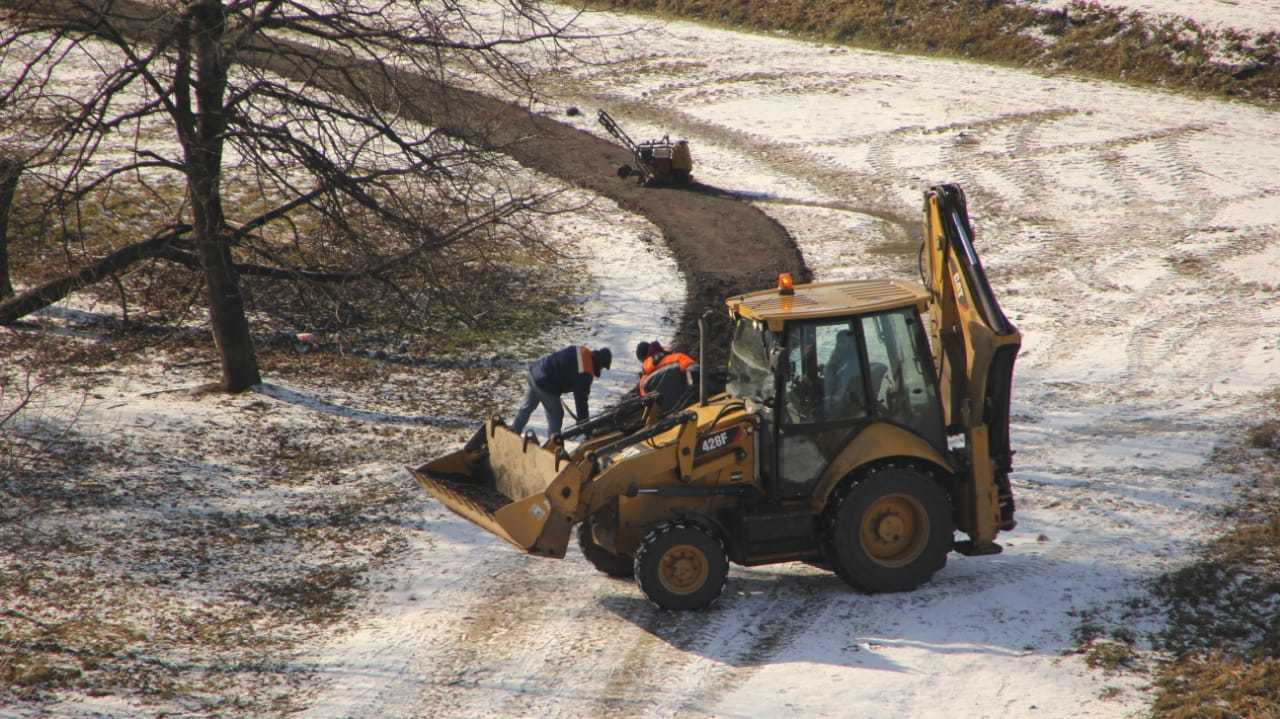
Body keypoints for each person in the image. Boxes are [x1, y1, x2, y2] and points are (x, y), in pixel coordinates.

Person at [510, 345, 612, 437]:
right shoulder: (585, 372)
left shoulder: (582, 350)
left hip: (535, 371)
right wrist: (585, 426)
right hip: (545, 383)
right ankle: (553, 447)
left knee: (527, 408)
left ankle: (513, 432)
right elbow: (581, 401)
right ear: (599, 364)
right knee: (556, 415)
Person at [635, 340, 699, 410]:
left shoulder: (643, 383)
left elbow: (648, 403)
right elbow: (695, 369)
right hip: (692, 400)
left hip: (671, 414)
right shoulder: (677, 357)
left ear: (642, 361)